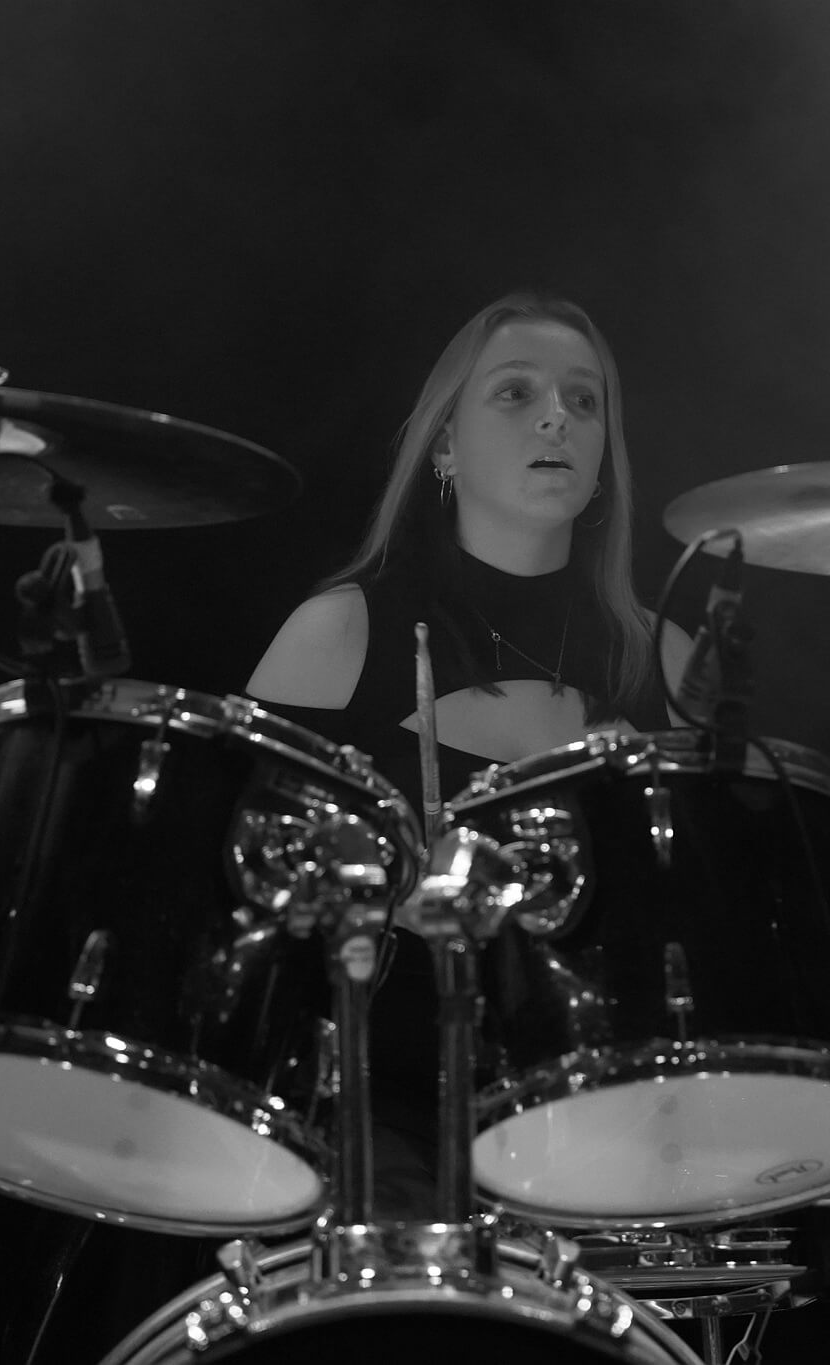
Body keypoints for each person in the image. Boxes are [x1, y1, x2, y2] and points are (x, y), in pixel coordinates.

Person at [246, 292, 690, 1214]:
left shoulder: (669, 663)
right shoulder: (339, 635)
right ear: (444, 445)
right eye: (516, 392)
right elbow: (241, 912)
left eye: (585, 399)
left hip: (620, 1128)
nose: (557, 417)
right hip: (378, 1118)